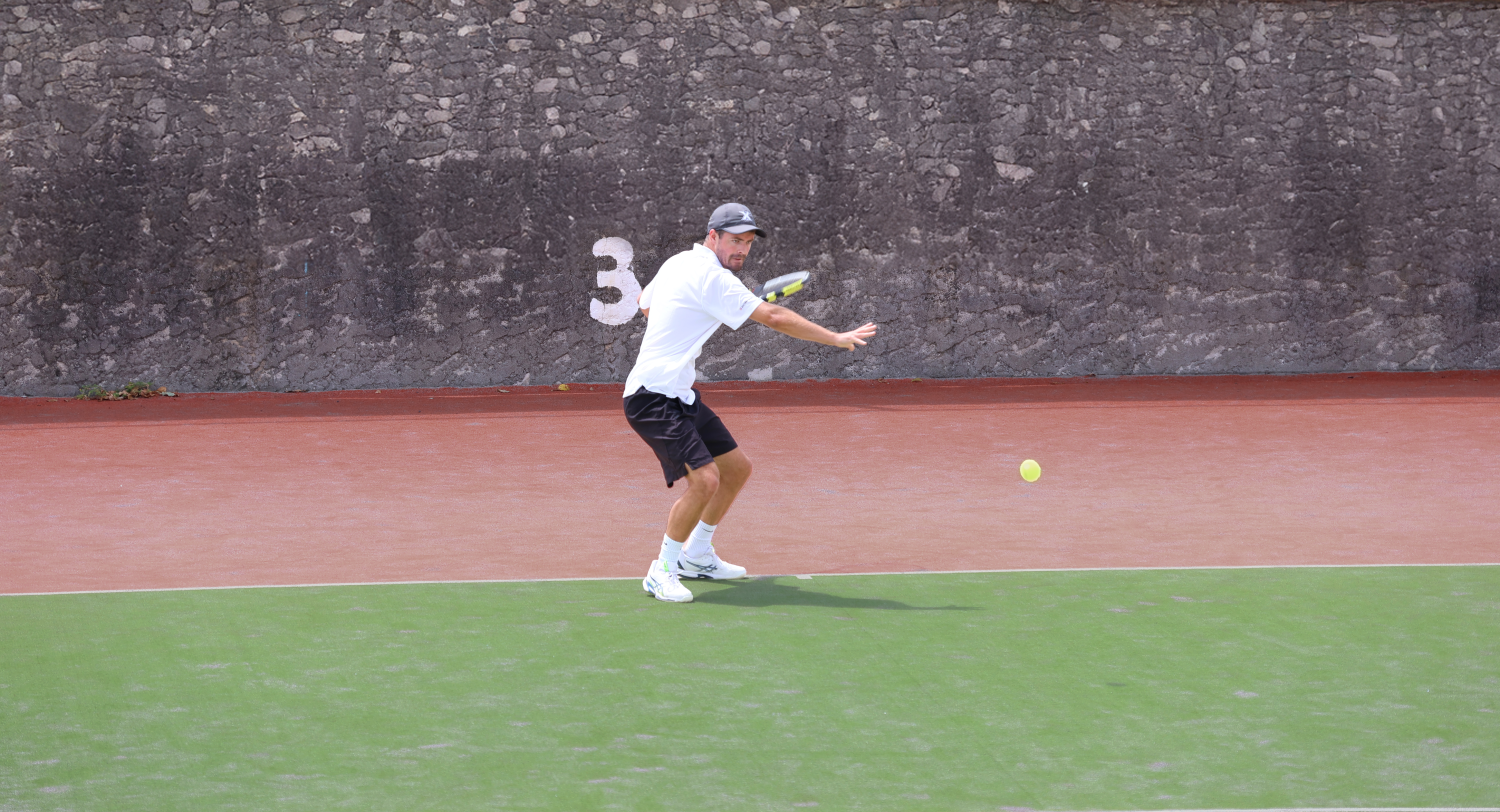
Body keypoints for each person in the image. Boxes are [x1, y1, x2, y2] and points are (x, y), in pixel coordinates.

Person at [623, 203, 878, 603]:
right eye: (734, 241)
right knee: (704, 480)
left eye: (747, 243)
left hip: (678, 393)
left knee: (736, 469)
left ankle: (698, 555)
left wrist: (686, 320)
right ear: (713, 237)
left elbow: (645, 303)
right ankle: (662, 570)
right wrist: (835, 337)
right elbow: (774, 317)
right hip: (651, 398)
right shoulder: (712, 278)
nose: (741, 249)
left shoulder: (679, 263)